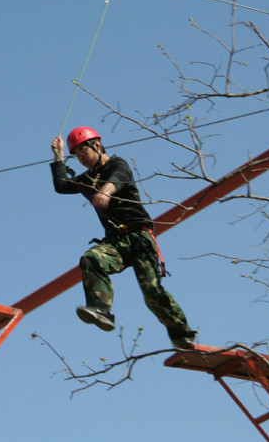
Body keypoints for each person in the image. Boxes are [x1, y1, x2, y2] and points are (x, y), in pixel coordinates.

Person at [50, 126, 196, 349]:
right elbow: (62, 186)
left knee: (152, 292)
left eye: (82, 153)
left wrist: (105, 192)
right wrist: (59, 156)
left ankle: (182, 335)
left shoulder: (118, 164)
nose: (80, 159)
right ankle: (101, 309)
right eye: (76, 156)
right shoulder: (88, 177)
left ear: (96, 145)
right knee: (92, 259)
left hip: (139, 238)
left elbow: (118, 178)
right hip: (116, 242)